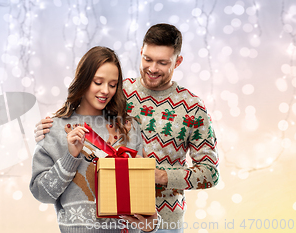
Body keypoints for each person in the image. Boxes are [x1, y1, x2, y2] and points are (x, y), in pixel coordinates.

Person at [34, 24, 220, 233]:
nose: (152, 68)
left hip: (165, 221)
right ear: (141, 51)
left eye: (162, 62)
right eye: (147, 59)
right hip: (116, 218)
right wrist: (48, 130)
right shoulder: (121, 91)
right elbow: (84, 111)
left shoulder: (193, 108)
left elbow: (211, 173)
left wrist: (160, 176)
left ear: (178, 61)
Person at [29, 46, 161, 233]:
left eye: (113, 84)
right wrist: (70, 158)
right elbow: (41, 193)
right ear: (83, 80)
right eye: (98, 82)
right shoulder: (54, 129)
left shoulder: (129, 128)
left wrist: (151, 224)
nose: (105, 91)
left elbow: (140, 196)